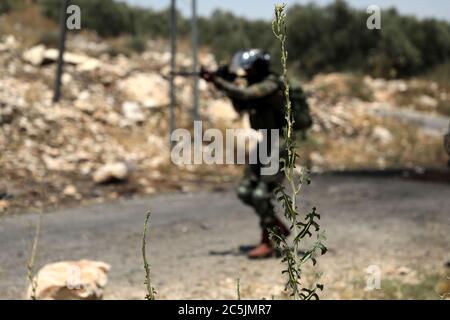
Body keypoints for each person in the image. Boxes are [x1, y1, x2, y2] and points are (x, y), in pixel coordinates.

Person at [201, 49, 310, 259]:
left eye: (249, 69)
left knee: (261, 194)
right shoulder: (256, 85)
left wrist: (219, 81)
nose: (245, 74)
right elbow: (241, 104)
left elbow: (245, 95)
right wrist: (219, 81)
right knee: (245, 191)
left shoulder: (271, 84)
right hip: (266, 140)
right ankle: (276, 228)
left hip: (280, 141)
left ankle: (268, 240)